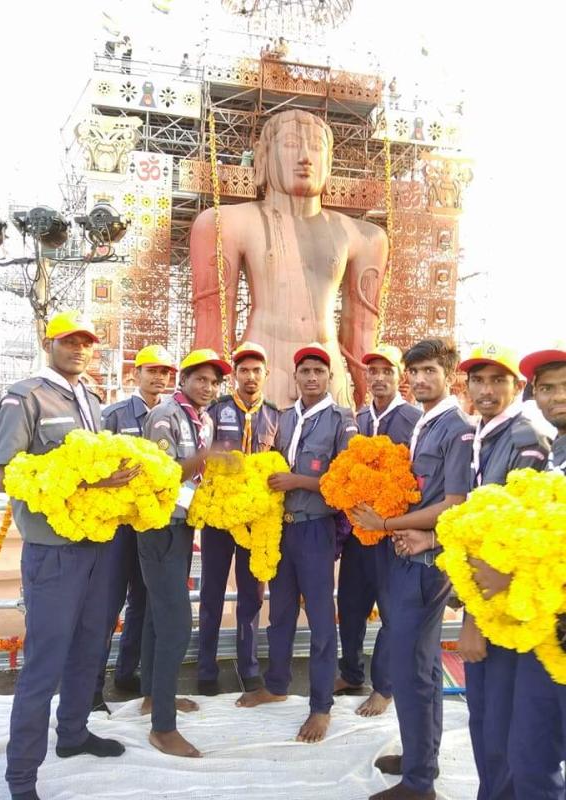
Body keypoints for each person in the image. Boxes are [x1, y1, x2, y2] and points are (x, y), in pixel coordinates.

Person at [0, 310, 135, 800]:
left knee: (91, 645)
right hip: (54, 550)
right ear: (48, 342)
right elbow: (4, 474)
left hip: (98, 544)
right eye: (69, 341)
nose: (79, 349)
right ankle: (22, 777)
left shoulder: (91, 397)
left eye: (86, 343)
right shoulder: (26, 396)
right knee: (45, 662)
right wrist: (89, 481)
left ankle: (72, 734)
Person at [190, 109, 389, 409]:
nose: (306, 157)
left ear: (330, 161)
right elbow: (213, 326)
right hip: (263, 361)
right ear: (263, 156)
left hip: (328, 365)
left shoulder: (364, 236)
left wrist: (374, 406)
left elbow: (362, 335)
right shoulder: (225, 223)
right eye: (292, 143)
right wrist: (201, 407)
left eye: (317, 147)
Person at [351, 338, 475, 800]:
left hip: (423, 565)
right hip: (407, 555)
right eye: (415, 372)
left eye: (429, 371)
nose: (420, 379)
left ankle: (420, 782)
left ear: (450, 374)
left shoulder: (455, 426)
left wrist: (386, 523)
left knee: (413, 670)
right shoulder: (428, 421)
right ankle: (420, 757)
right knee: (416, 667)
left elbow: (454, 503)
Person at [236, 342, 358, 744]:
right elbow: (269, 464)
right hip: (281, 528)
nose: (310, 377)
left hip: (315, 528)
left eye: (318, 372)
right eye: (304, 371)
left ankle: (321, 707)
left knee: (322, 619)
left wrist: (300, 481)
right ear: (295, 377)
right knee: (280, 612)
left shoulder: (342, 420)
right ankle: (276, 684)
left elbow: (346, 482)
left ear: (328, 378)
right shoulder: (284, 418)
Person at [457, 343, 549, 800]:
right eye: (479, 380)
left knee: (501, 724)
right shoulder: (483, 433)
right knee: (485, 718)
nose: (487, 389)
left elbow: (508, 543)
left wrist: (474, 621)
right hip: (481, 594)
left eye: (498, 380)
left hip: (501, 607)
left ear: (517, 386)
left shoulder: (525, 439)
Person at [140, 348, 232, 758]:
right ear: (184, 380)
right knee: (176, 624)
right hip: (159, 526)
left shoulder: (204, 418)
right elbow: (160, 473)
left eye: (214, 382)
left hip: (181, 526)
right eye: (201, 379)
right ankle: (162, 727)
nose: (208, 387)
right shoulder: (164, 417)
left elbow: (197, 473)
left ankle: (152, 697)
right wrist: (205, 458)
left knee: (158, 619)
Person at [335, 344, 422, 717]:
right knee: (350, 605)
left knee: (390, 610)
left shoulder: (413, 419)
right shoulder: (355, 418)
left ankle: (384, 687)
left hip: (392, 535)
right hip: (356, 534)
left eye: (387, 371)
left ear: (400, 377)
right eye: (373, 371)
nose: (379, 378)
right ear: (365, 377)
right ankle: (351, 672)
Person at [93, 345, 177, 711]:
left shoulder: (172, 415)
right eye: (151, 370)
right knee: (107, 605)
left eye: (165, 372)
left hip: (152, 524)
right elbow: (95, 465)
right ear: (135, 374)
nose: (159, 377)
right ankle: (92, 688)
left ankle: (127, 674)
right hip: (119, 527)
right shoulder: (113, 415)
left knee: (143, 603)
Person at [197, 342, 278, 695]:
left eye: (256, 370)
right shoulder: (214, 411)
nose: (249, 376)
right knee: (211, 592)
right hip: (219, 518)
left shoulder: (278, 415)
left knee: (252, 596)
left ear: (266, 374)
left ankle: (249, 667)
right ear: (235, 376)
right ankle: (205, 669)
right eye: (243, 370)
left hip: (255, 522)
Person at [505, 345, 566, 800]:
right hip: (545, 627)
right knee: (529, 755)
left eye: (565, 385)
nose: (557, 396)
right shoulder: (553, 450)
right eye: (547, 387)